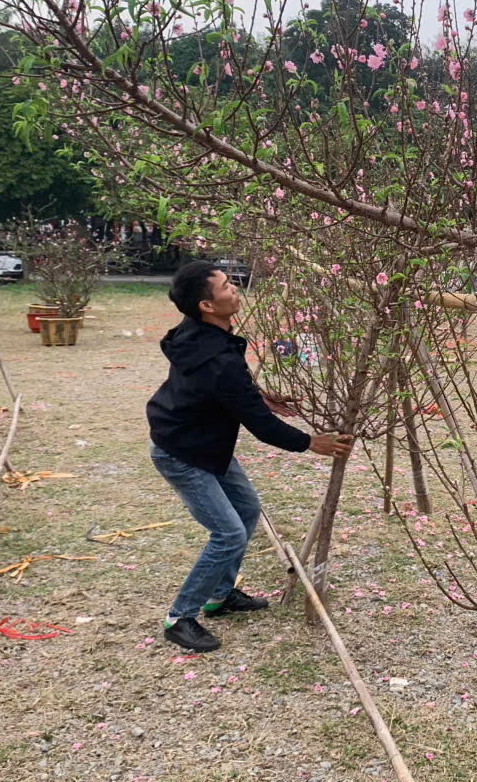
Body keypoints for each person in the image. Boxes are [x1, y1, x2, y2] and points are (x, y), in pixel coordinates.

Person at [146, 260, 353, 652]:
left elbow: (228, 390)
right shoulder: (214, 356)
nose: (234, 289)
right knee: (228, 534)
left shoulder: (204, 334)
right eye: (225, 286)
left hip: (206, 444)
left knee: (246, 510)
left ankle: (219, 596)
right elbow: (260, 426)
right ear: (207, 305)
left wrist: (260, 397)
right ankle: (180, 617)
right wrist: (311, 442)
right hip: (182, 452)